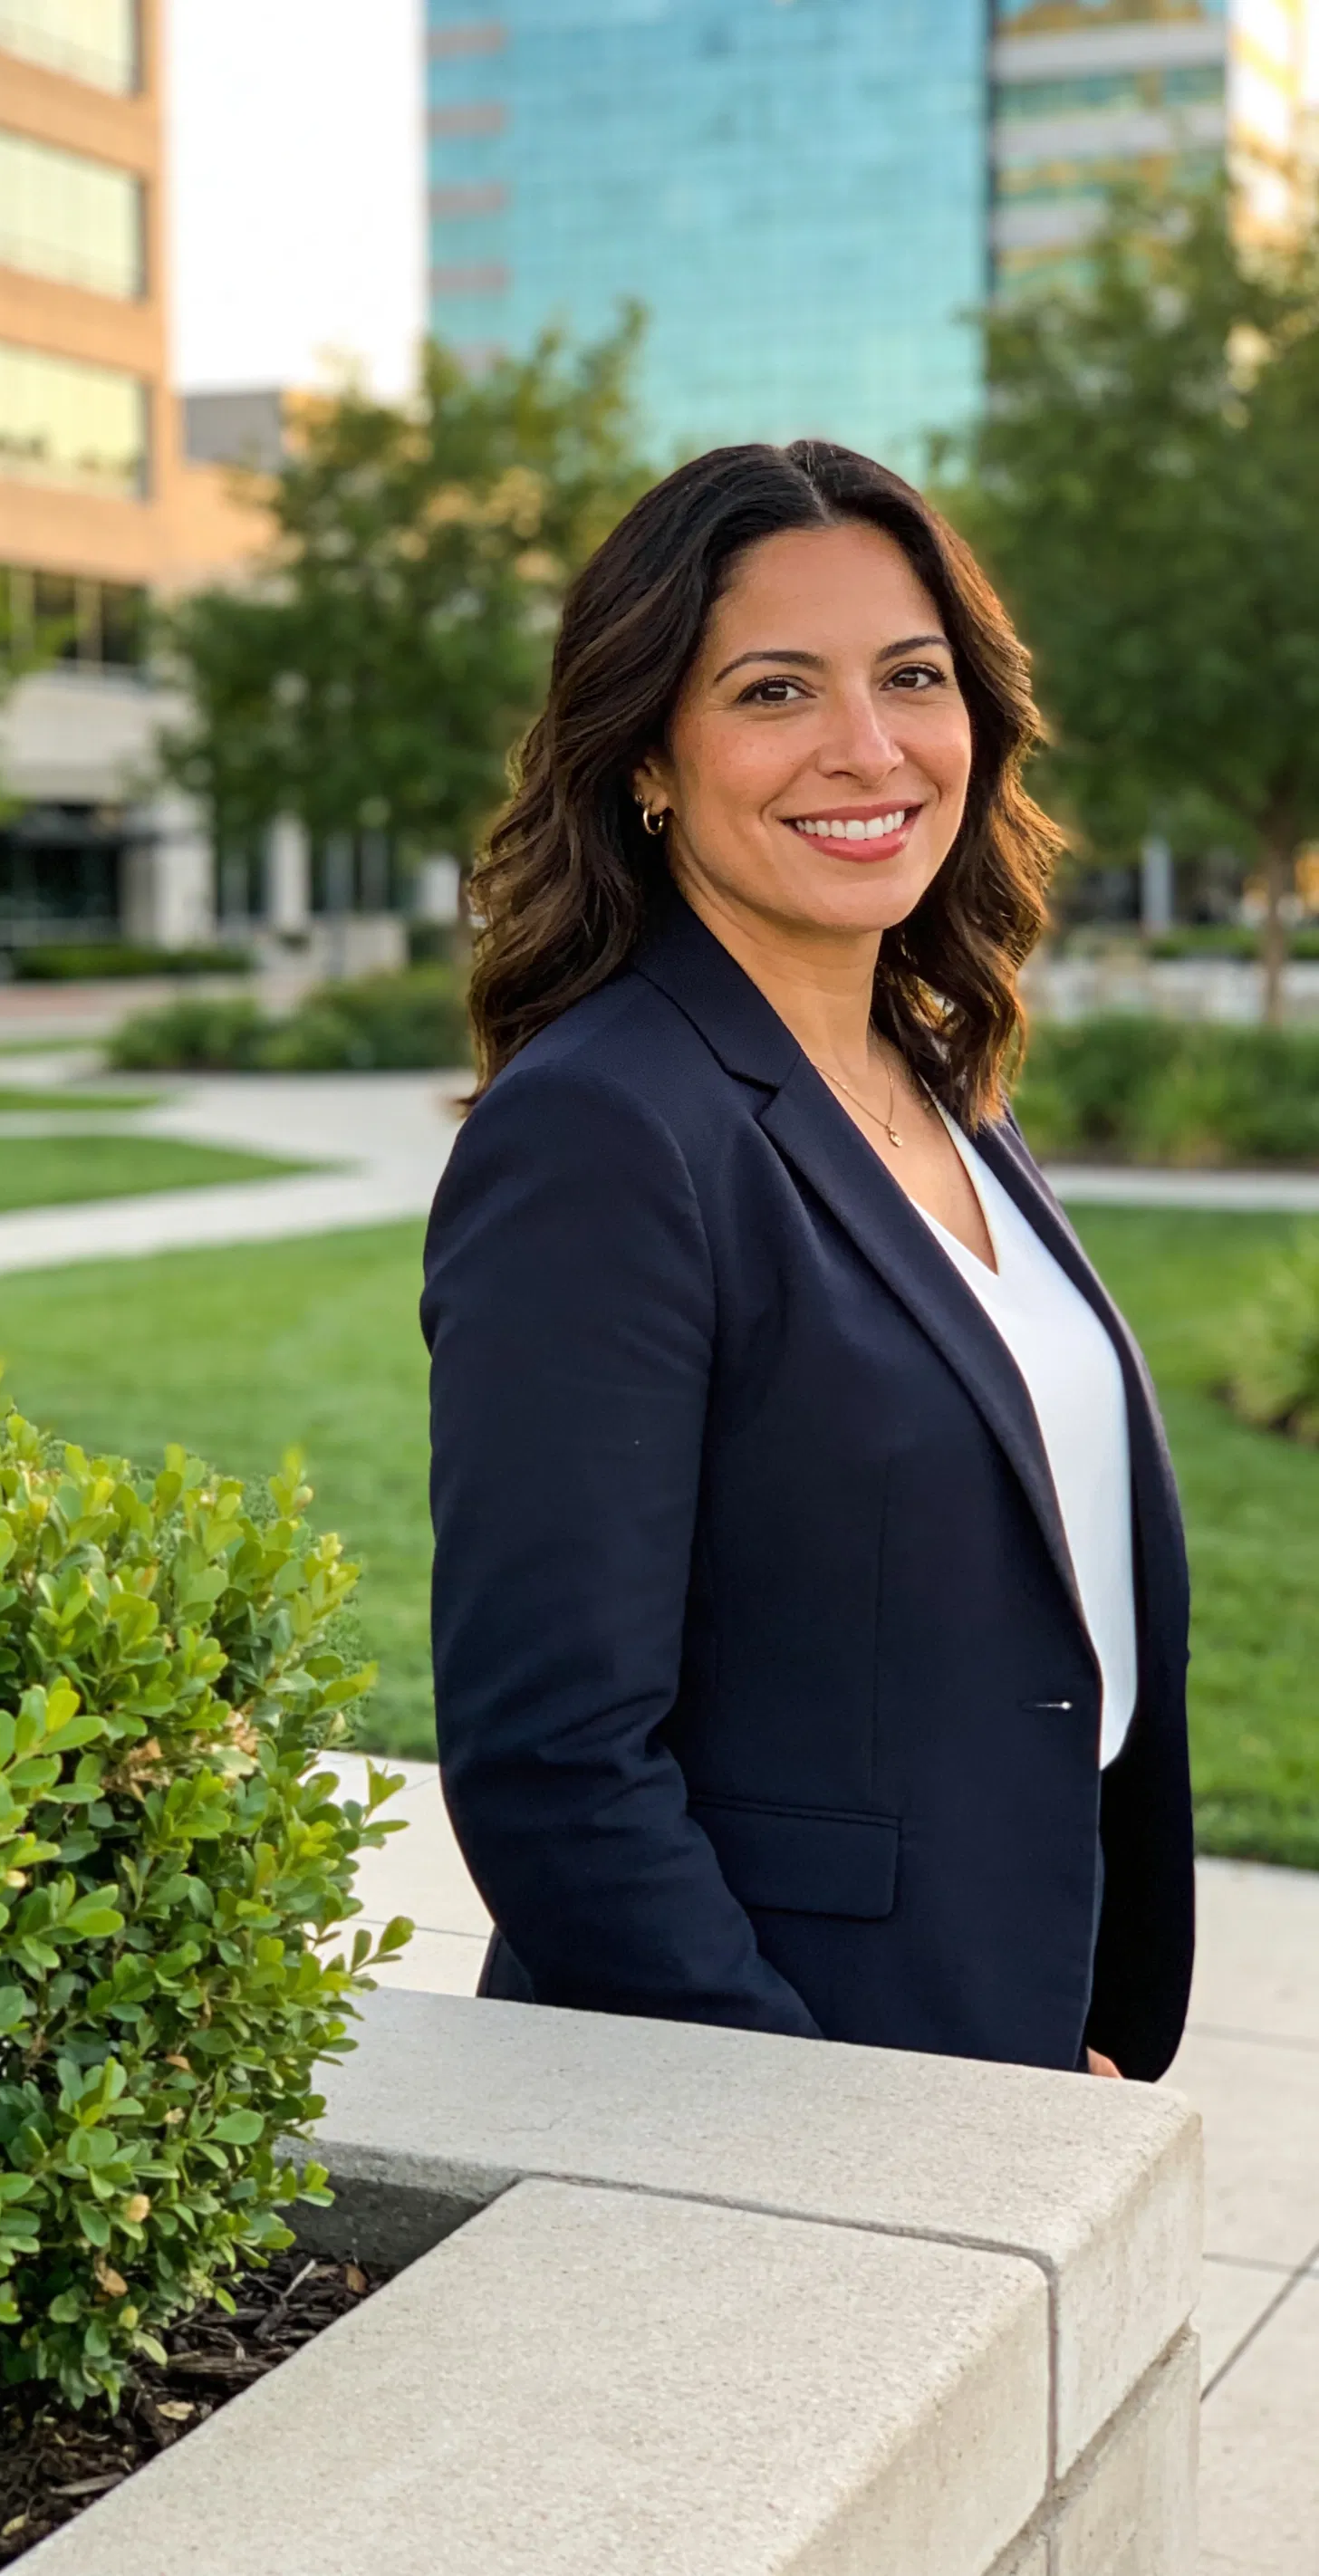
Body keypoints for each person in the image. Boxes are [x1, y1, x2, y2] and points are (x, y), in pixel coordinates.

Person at [421, 441, 1193, 2080]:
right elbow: (554, 1759)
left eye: (913, 677)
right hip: (778, 2096)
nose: (869, 749)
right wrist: (815, 2122)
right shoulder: (607, 1129)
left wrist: (1055, 2024)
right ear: (646, 756)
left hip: (1009, 2033)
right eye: (775, 692)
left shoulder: (930, 1071)